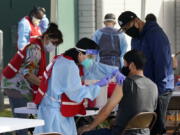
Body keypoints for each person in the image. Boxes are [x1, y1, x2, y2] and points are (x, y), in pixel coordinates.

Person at [33, 38, 125, 135]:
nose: (91, 60)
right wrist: (97, 86)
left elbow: (94, 67)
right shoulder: (69, 66)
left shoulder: (63, 59)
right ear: (80, 54)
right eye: (90, 57)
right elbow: (76, 94)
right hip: (55, 114)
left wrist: (114, 71)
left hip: (52, 109)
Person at [118, 11, 174, 135]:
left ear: (136, 21)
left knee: (156, 126)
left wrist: (158, 92)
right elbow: (135, 61)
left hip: (160, 88)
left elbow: (163, 63)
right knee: (143, 126)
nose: (127, 31)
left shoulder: (155, 35)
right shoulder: (135, 39)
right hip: (145, 87)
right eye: (124, 29)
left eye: (127, 27)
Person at [1, 23, 63, 135]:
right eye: (53, 43)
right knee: (21, 123)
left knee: (23, 121)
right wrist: (45, 86)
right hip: (16, 86)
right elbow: (27, 73)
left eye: (56, 44)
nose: (53, 46)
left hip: (19, 86)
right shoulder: (35, 49)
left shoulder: (38, 48)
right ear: (46, 37)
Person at [78, 50, 158, 135]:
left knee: (84, 132)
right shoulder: (153, 86)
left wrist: (90, 127)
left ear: (131, 65)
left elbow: (106, 111)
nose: (123, 67)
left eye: (125, 64)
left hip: (122, 133)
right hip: (144, 133)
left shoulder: (125, 83)